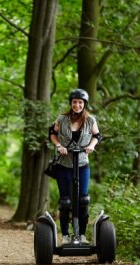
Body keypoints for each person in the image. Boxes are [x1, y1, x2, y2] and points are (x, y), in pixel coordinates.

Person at [48, 88, 102, 245]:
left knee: (83, 200)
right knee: (65, 201)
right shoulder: (62, 119)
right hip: (64, 164)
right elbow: (51, 132)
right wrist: (58, 145)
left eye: (80, 102)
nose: (77, 105)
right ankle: (65, 235)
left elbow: (97, 135)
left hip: (83, 163)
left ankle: (82, 235)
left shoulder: (90, 120)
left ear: (84, 104)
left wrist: (92, 145)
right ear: (71, 103)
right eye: (74, 102)